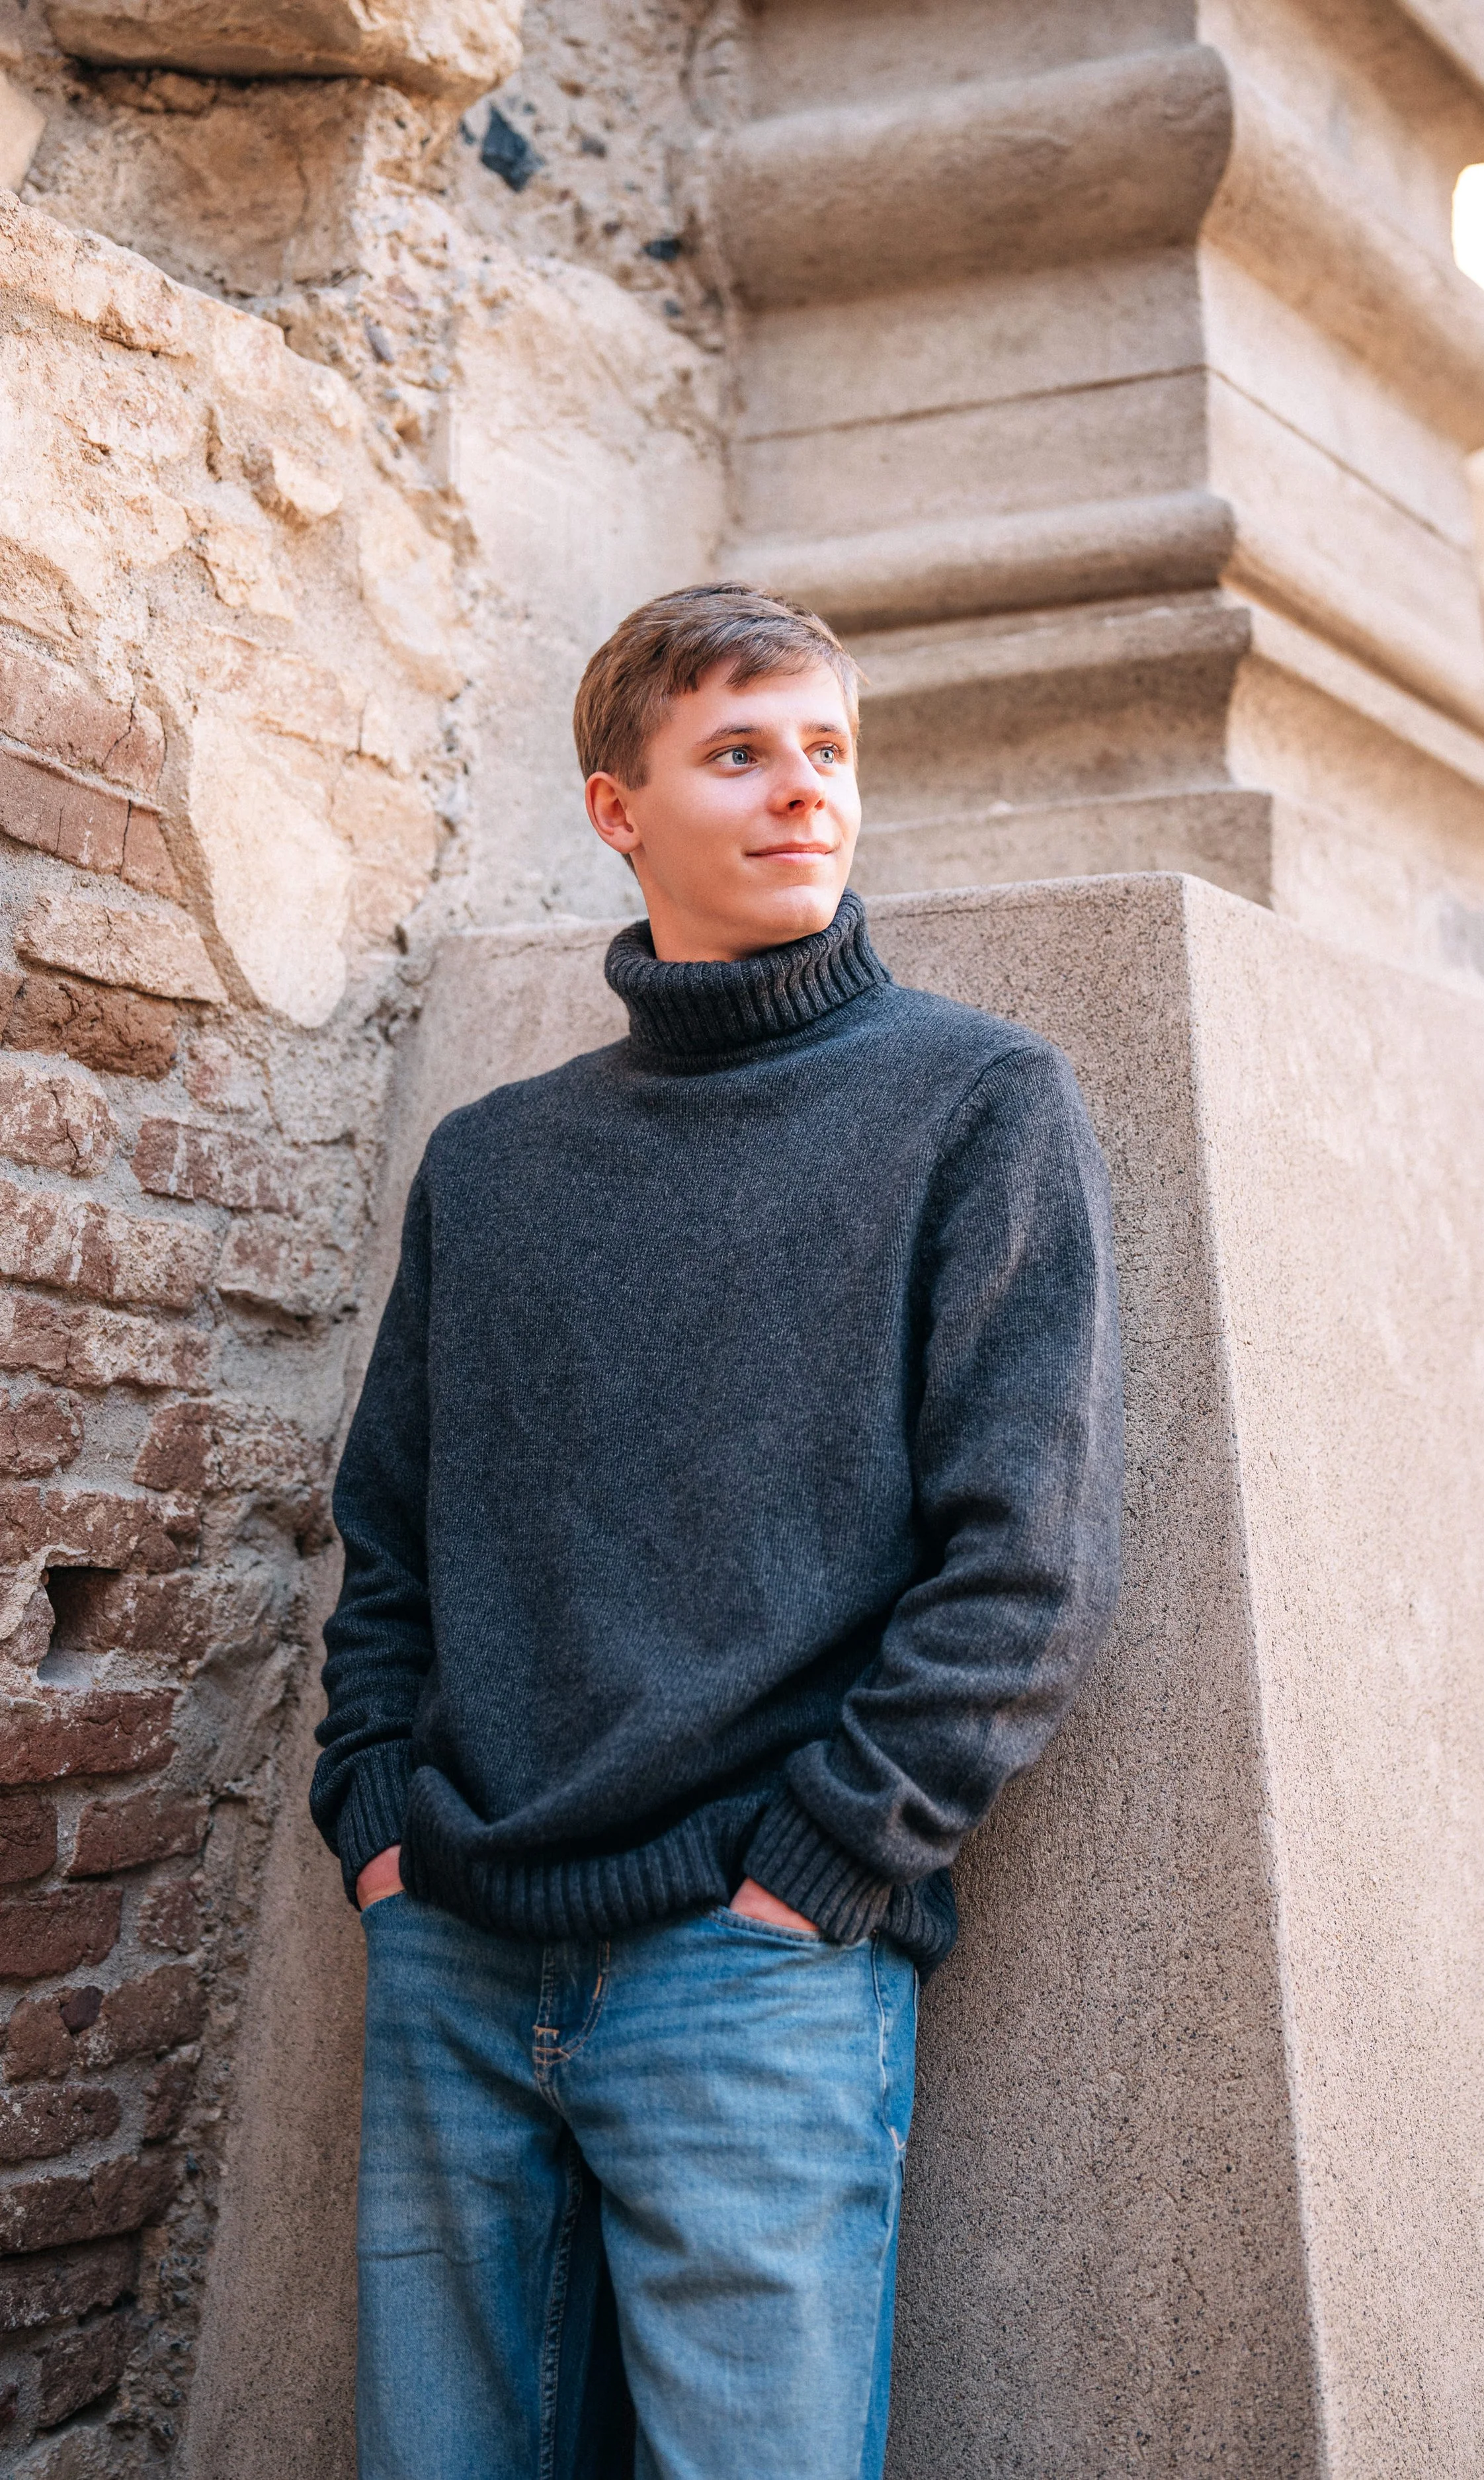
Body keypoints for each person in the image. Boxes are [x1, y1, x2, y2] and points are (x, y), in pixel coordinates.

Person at [311, 583, 1124, 2480]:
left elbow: (1027, 1553)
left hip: (754, 1967)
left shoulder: (975, 1104)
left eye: (827, 750)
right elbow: (392, 1535)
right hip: (452, 1946)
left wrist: (826, 1860)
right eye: (738, 752)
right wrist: (373, 1824)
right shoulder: (494, 1161)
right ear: (619, 808)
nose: (800, 794)